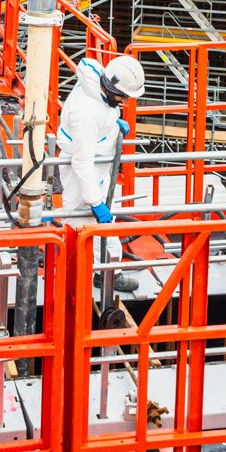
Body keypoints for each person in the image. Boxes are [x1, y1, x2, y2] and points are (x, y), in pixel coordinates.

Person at [57, 53, 146, 294]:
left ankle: (102, 269)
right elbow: (82, 162)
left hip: (98, 162)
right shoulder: (86, 115)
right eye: (123, 98)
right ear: (112, 89)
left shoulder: (98, 81)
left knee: (93, 220)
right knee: (81, 217)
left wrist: (114, 120)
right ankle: (87, 270)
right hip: (86, 168)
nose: (125, 102)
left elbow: (104, 110)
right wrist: (96, 202)